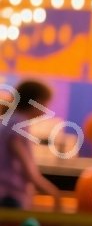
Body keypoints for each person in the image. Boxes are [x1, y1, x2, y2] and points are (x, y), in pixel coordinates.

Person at [1, 80, 65, 209]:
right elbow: (28, 171)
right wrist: (54, 193)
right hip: (9, 196)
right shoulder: (17, 125)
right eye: (46, 103)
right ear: (37, 102)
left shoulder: (9, 121)